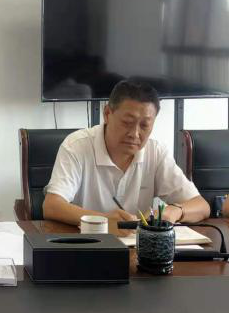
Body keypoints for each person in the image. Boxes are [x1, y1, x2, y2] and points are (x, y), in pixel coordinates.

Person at [43, 80, 210, 227]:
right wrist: (103, 221)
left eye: (144, 125)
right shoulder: (77, 146)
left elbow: (201, 206)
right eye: (127, 122)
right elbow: (52, 206)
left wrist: (175, 210)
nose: (135, 134)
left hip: (137, 247)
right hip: (88, 245)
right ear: (107, 114)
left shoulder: (156, 152)